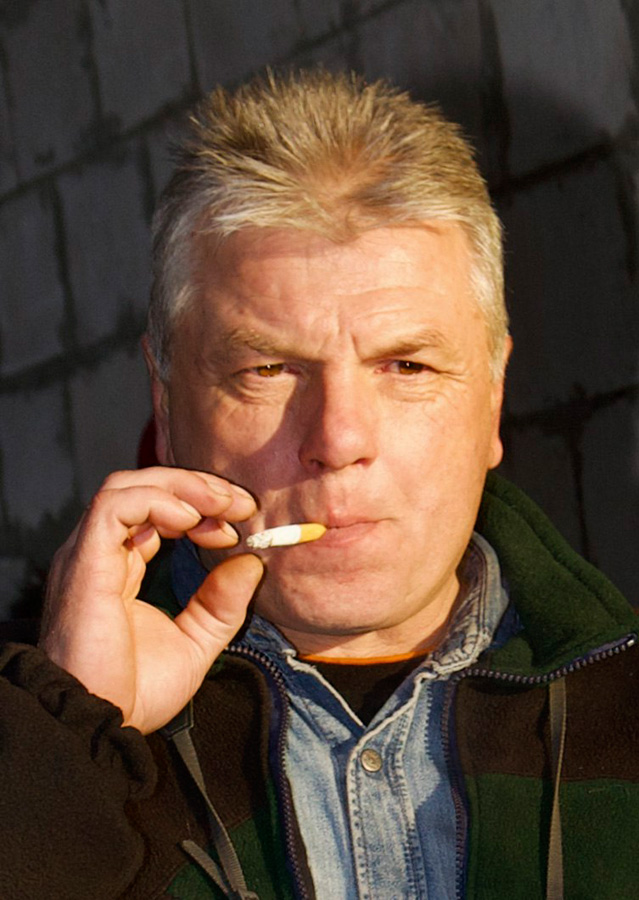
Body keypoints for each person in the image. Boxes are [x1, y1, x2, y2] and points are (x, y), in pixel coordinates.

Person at [1, 69, 638, 900]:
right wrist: (68, 732)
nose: (337, 440)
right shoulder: (43, 742)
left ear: (491, 399)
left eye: (406, 366)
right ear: (165, 402)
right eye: (267, 369)